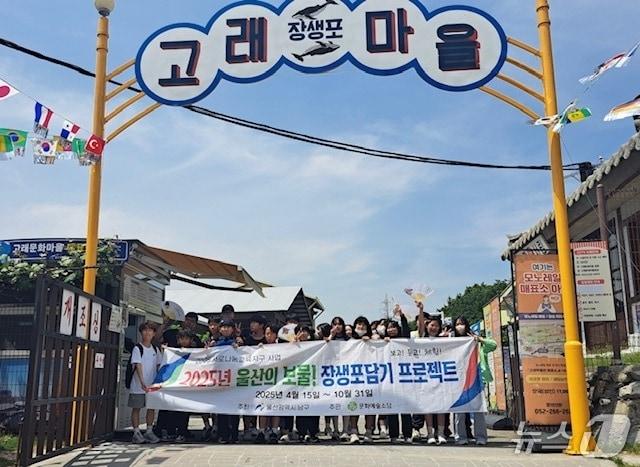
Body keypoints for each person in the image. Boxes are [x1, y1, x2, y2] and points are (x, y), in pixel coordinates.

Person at [453, 316, 497, 446]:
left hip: (476, 379)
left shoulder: (475, 341)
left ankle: (481, 437)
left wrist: (480, 339)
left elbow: (493, 345)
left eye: (462, 323)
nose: (460, 326)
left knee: (478, 410)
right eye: (457, 324)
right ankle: (461, 437)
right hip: (459, 381)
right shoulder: (452, 341)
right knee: (459, 411)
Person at [129, 321, 162, 444]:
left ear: (154, 333)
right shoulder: (137, 348)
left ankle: (149, 431)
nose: (147, 333)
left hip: (152, 385)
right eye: (145, 330)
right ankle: (136, 432)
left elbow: (159, 366)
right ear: (141, 332)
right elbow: (138, 365)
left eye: (150, 330)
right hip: (138, 385)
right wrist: (142, 382)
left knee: (151, 408)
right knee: (136, 408)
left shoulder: (155, 349)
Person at [385, 317, 413, 444]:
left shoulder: (403, 340)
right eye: (389, 327)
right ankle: (394, 435)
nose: (391, 330)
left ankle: (407, 434)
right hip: (389, 379)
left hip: (403, 378)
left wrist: (402, 317)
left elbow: (406, 330)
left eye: (393, 327)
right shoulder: (384, 341)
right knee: (392, 409)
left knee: (405, 409)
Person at [423, 315, 448, 445]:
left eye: (437, 325)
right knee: (428, 407)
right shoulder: (422, 340)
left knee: (440, 407)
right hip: (425, 377)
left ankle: (441, 433)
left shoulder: (444, 341)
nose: (434, 328)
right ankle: (430, 434)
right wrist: (420, 310)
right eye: (432, 325)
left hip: (440, 377)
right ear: (427, 326)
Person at [350, 316, 375, 444]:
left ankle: (368, 431)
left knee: (369, 406)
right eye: (359, 325)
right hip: (354, 378)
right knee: (353, 405)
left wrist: (373, 340)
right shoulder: (350, 341)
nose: (361, 327)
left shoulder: (373, 340)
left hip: (370, 378)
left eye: (364, 325)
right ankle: (354, 431)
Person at [216, 320, 241, 444]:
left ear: (232, 329)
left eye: (228, 327)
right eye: (223, 327)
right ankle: (223, 435)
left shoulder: (238, 342)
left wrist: (239, 346)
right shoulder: (215, 343)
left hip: (235, 380)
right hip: (220, 380)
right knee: (221, 410)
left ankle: (234, 435)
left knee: (234, 409)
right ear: (220, 329)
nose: (225, 329)